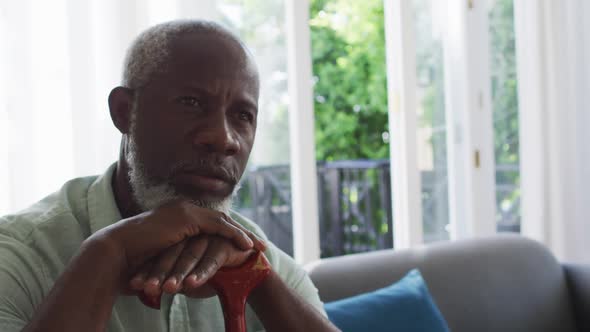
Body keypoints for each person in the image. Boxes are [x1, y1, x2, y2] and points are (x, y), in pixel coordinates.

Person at [0, 20, 339, 332]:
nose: (223, 138)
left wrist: (259, 281)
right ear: (124, 112)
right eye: (191, 102)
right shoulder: (20, 253)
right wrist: (108, 253)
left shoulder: (260, 256)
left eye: (243, 115)